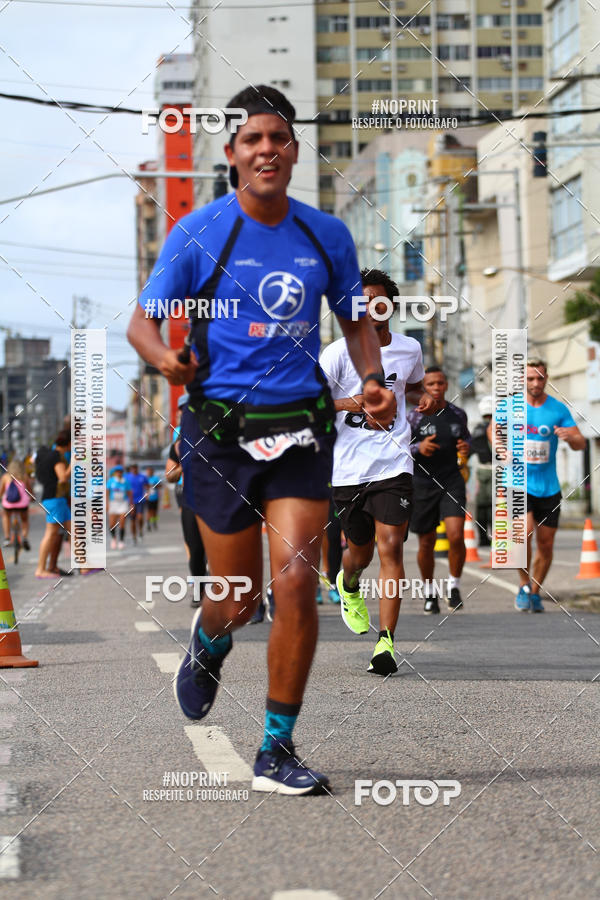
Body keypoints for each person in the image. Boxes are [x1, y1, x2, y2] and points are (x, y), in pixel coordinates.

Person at [127, 85, 394, 795]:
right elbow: (143, 322)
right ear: (233, 155)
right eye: (253, 139)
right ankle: (211, 636)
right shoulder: (198, 233)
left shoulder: (326, 235)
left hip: (300, 428)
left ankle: (277, 748)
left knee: (297, 583)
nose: (266, 149)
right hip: (221, 433)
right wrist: (163, 359)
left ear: (295, 151)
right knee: (239, 596)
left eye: (278, 138)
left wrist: (371, 375)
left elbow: (356, 320)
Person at [321, 268, 435, 673]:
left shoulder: (409, 349)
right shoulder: (336, 354)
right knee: (360, 553)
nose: (371, 307)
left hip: (394, 461)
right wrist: (349, 403)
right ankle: (348, 583)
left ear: (391, 305)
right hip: (348, 469)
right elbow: (311, 403)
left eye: (378, 300)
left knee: (391, 545)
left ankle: (385, 643)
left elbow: (416, 387)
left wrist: (423, 401)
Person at [512, 359, 585, 612]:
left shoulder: (558, 409)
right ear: (523, 379)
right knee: (523, 536)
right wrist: (501, 448)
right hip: (518, 483)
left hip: (549, 487)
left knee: (546, 544)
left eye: (540, 378)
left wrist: (570, 437)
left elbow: (581, 444)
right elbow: (492, 430)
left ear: (546, 378)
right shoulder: (511, 406)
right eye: (530, 378)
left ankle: (534, 591)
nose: (535, 383)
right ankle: (523, 585)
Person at [408, 367, 471, 614]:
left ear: (446, 385)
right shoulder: (413, 417)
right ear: (424, 387)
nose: (436, 388)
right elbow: (399, 447)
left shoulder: (458, 414)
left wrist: (466, 448)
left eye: (440, 383)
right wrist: (418, 448)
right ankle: (429, 591)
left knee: (456, 535)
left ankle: (454, 586)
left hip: (451, 479)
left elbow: (466, 441)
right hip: (422, 482)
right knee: (427, 542)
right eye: (431, 384)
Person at [165, 396, 207, 609]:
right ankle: (199, 590)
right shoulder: (179, 444)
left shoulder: (214, 436)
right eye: (183, 411)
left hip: (215, 496)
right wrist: (185, 467)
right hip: (189, 496)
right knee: (195, 547)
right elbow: (169, 475)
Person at [34, 431, 72, 578]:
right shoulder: (56, 456)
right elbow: (62, 478)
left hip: (54, 499)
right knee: (50, 534)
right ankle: (40, 569)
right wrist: (73, 464)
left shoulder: (48, 455)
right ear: (68, 444)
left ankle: (84, 564)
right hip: (55, 499)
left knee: (73, 530)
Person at [471, 395, 494, 548]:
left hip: (482, 471)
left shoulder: (477, 429)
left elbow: (468, 451)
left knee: (482, 506)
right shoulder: (501, 427)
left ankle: (483, 538)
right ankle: (498, 538)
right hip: (499, 471)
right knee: (498, 505)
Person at [1, 459, 33, 550]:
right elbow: (30, 491)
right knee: (24, 520)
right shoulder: (24, 477)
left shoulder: (5, 477)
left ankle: (7, 538)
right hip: (22, 505)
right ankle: (25, 538)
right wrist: (32, 497)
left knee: (6, 516)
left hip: (9, 504)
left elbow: (1, 491)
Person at [106, 465, 131, 550]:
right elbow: (107, 492)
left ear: (122, 472)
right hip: (113, 503)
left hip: (123, 503)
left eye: (120, 471)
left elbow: (129, 493)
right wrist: (107, 503)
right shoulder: (111, 481)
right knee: (112, 524)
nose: (119, 473)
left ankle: (121, 540)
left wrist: (131, 504)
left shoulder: (125, 482)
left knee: (122, 522)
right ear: (115, 472)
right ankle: (113, 539)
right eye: (117, 471)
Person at [126, 463, 149, 543]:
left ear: (137, 468)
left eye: (135, 468)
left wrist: (147, 493)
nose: (134, 469)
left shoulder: (142, 477)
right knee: (132, 520)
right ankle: (134, 536)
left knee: (140, 518)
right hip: (130, 501)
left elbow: (147, 486)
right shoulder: (127, 477)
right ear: (131, 469)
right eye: (133, 468)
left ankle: (140, 530)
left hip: (140, 500)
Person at [145, 466, 161, 531]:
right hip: (148, 498)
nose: (149, 472)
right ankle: (148, 524)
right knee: (149, 511)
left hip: (155, 497)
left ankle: (154, 522)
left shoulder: (156, 478)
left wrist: (154, 485)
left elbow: (160, 485)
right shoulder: (145, 478)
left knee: (155, 511)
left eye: (150, 471)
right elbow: (143, 486)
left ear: (153, 472)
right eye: (148, 471)